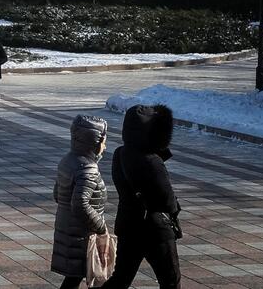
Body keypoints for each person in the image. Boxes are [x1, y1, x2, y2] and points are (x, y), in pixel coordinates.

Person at [101, 105, 182, 289]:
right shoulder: (152, 160)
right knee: (170, 280)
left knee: (121, 278)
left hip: (128, 223)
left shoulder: (120, 153)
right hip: (155, 228)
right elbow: (167, 200)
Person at [51, 115, 110, 289]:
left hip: (66, 228)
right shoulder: (88, 169)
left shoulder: (68, 160)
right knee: (77, 277)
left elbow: (57, 194)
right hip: (81, 235)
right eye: (103, 140)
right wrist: (101, 227)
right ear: (94, 141)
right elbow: (80, 204)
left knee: (73, 278)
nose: (105, 146)